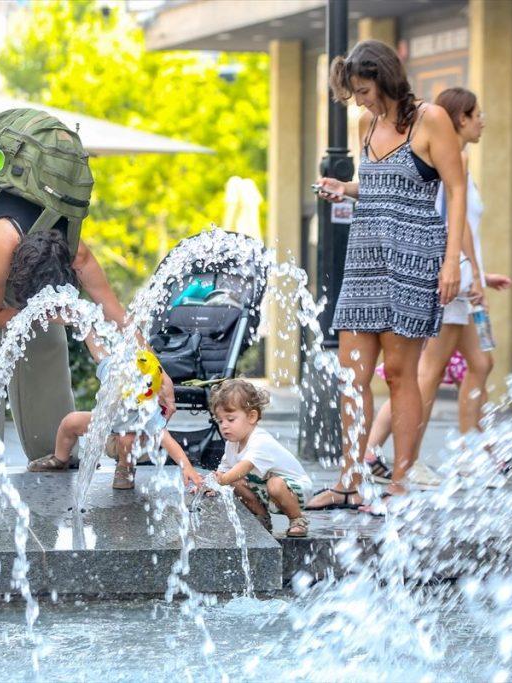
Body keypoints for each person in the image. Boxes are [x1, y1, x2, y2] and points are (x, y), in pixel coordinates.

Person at [305, 39, 465, 509]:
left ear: (385, 77)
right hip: (364, 258)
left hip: (414, 257)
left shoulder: (430, 119)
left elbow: (455, 191)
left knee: (398, 373)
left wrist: (452, 261)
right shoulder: (365, 122)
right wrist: (346, 187)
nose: (359, 100)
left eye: (363, 89)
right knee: (350, 375)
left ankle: (399, 481)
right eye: (354, 92)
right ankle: (349, 481)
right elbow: (378, 184)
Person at [0, 189, 175, 489]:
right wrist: (40, 314)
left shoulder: (76, 251)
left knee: (48, 338)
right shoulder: (4, 244)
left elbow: (113, 312)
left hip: (15, 249)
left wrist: (157, 370)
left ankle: (56, 449)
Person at [363, 87, 512, 490]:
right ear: (460, 118)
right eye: (477, 114)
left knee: (480, 364)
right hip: (450, 281)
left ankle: (469, 451)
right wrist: (472, 275)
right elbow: (456, 223)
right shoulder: (456, 159)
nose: (483, 121)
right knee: (424, 373)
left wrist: (482, 273)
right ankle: (391, 456)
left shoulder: (459, 160)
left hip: (461, 278)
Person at [28, 350, 204, 491]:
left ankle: (125, 469)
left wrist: (186, 467)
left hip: (136, 442)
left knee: (127, 438)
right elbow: (97, 350)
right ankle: (60, 458)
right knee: (71, 421)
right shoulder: (114, 370)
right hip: (107, 430)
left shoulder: (145, 411)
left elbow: (167, 441)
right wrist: (86, 324)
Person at [211, 379, 313, 538]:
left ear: (252, 417)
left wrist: (222, 479)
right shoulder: (232, 444)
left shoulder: (261, 441)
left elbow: (244, 467)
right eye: (220, 420)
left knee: (275, 483)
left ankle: (297, 519)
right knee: (234, 480)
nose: (224, 425)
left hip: (295, 490)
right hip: (267, 490)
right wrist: (211, 484)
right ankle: (262, 518)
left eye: (230, 419)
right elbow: (223, 471)